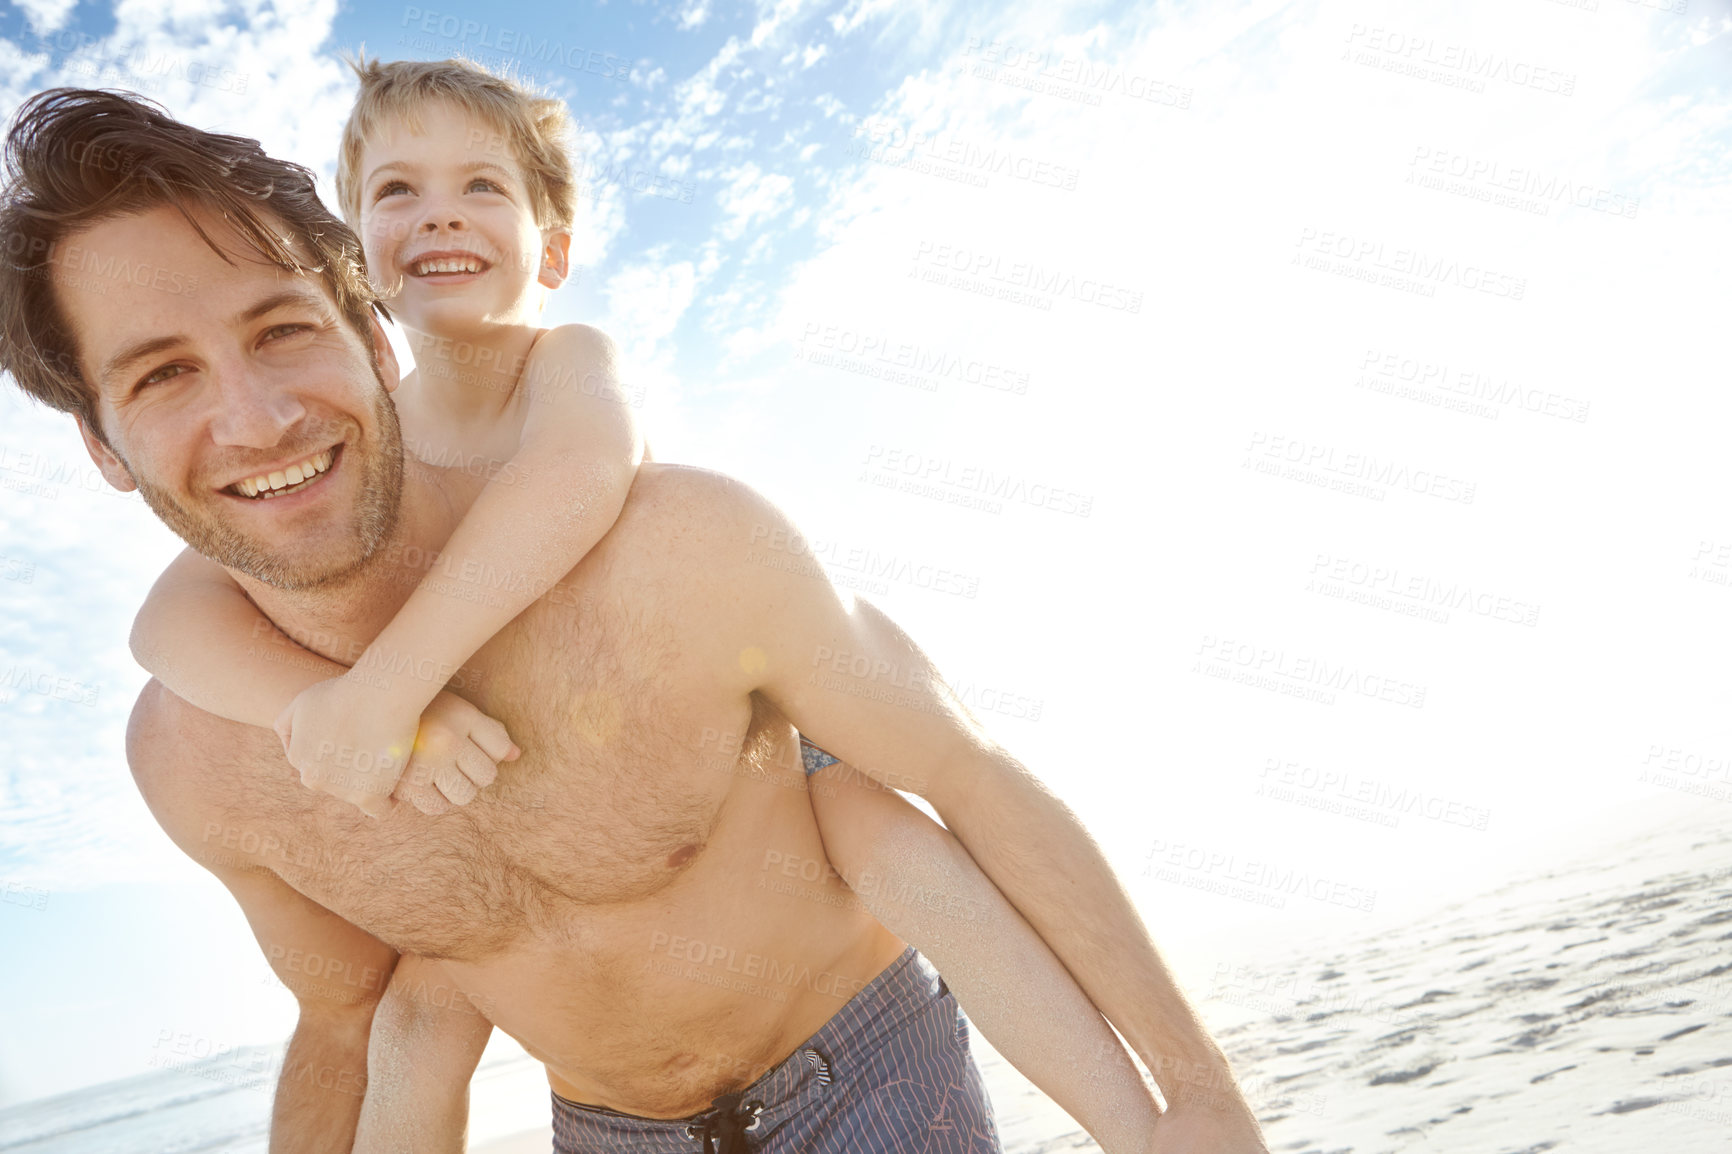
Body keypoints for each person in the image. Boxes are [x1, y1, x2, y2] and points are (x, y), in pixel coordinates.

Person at [0, 86, 1267, 1154]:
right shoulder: (199, 761)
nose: (259, 416)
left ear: (376, 340)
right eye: (161, 374)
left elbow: (968, 778)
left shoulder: (676, 548)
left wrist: (1198, 1095)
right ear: (103, 446)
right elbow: (346, 1021)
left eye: (282, 329)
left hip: (875, 1072)